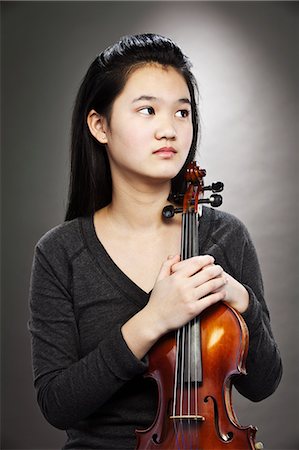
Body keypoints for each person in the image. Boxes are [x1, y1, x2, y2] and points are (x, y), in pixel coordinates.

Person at [28, 33, 282, 450]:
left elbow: (264, 384)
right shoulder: (60, 253)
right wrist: (152, 320)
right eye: (148, 110)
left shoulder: (225, 234)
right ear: (100, 125)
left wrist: (241, 300)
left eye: (183, 113)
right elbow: (58, 404)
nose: (170, 129)